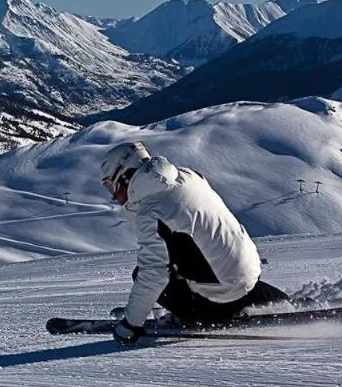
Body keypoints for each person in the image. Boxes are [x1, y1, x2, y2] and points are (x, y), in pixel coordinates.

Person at [99, 141, 291, 345]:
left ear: (127, 176)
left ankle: (202, 313)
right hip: (250, 273)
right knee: (181, 251)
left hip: (222, 299)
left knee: (142, 273)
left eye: (113, 186)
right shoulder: (189, 177)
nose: (113, 195)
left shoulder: (152, 212)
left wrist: (131, 324)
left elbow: (152, 275)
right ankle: (269, 300)